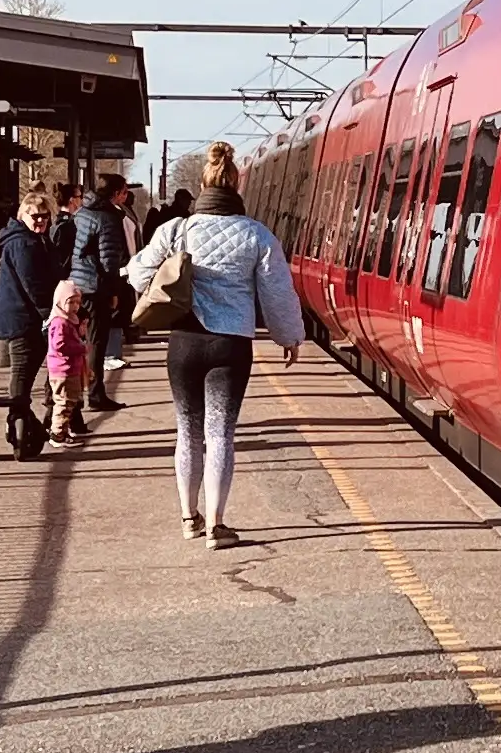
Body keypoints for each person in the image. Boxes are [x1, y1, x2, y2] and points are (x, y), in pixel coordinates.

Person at [122, 140, 307, 548]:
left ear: (203, 184)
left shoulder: (176, 229)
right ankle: (216, 526)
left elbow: (138, 274)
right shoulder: (257, 235)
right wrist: (290, 336)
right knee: (221, 433)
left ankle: (189, 518)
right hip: (231, 345)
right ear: (235, 186)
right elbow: (277, 292)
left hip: (184, 343)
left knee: (187, 433)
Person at [0, 184, 71, 438]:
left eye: (45, 216)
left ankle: (27, 418)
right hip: (24, 318)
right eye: (35, 216)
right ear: (22, 215)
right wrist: (52, 313)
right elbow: (33, 283)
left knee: (36, 369)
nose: (41, 221)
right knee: (23, 371)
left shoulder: (32, 240)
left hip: (26, 316)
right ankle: (17, 419)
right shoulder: (23, 244)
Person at [73, 175, 137, 414]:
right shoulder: (108, 218)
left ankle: (72, 396)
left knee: (76, 341)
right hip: (96, 287)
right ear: (117, 192)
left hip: (77, 283)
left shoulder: (82, 212)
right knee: (96, 343)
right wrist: (113, 292)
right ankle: (96, 393)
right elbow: (109, 261)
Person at [44, 277, 95, 445]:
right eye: (70, 302)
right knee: (64, 403)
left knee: (69, 402)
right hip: (63, 370)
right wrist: (80, 348)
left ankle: (62, 431)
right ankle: (57, 435)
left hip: (70, 368)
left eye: (77, 303)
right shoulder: (59, 322)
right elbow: (60, 345)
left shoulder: (68, 321)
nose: (75, 306)